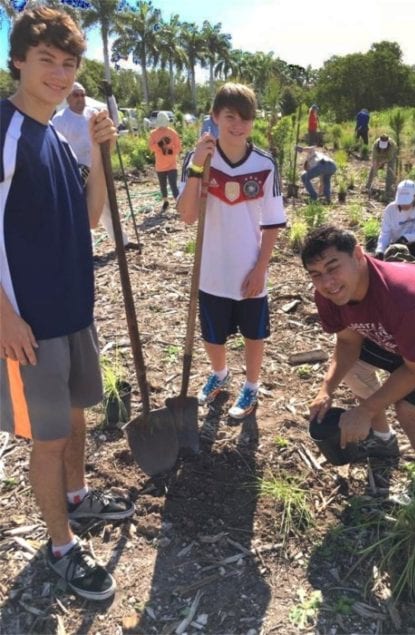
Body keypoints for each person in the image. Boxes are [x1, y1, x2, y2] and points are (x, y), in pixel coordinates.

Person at [0, 7, 134, 601]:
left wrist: (100, 158)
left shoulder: (53, 133)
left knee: (78, 417)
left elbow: (89, 220)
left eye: (69, 62)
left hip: (73, 311)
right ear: (19, 61)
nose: (58, 73)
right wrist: (3, 316)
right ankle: (61, 547)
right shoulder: (4, 129)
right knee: (48, 439)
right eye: (47, 60)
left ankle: (77, 499)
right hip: (27, 323)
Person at [301, 224, 415, 495]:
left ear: (359, 255)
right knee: (354, 367)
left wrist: (366, 410)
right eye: (316, 274)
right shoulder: (331, 294)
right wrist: (327, 389)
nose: (327, 283)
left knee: (411, 410)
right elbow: (348, 343)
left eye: (333, 267)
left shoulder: (405, 300)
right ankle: (383, 438)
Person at [177, 83, 286, 419]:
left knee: (254, 335)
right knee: (213, 334)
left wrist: (260, 269)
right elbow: (187, 215)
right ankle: (220, 375)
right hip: (211, 269)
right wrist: (197, 167)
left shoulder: (265, 164)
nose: (238, 125)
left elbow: (272, 222)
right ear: (215, 117)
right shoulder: (198, 160)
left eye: (245, 118)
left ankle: (251, 387)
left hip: (250, 268)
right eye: (230, 117)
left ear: (253, 122)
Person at [52, 82, 137, 251]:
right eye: (76, 95)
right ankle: (87, 250)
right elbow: (57, 148)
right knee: (82, 211)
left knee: (108, 207)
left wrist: (110, 96)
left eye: (83, 94)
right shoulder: (60, 119)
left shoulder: (92, 114)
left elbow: (114, 122)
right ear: (68, 98)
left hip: (97, 168)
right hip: (76, 171)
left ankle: (122, 242)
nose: (80, 98)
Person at [375, 179, 415, 266]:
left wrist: (406, 238)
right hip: (396, 247)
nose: (404, 205)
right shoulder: (390, 209)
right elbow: (385, 233)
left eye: (407, 202)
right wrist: (380, 250)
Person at [148, 111, 182, 213]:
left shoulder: (173, 133)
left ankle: (178, 203)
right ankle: (165, 202)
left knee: (173, 185)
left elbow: (178, 147)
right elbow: (151, 147)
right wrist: (160, 146)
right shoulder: (153, 134)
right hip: (160, 166)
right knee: (163, 185)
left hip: (172, 165)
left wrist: (170, 151)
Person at [366, 134, 398, 201]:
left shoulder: (392, 145)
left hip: (390, 156)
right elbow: (374, 159)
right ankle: (368, 186)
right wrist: (375, 169)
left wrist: (382, 162)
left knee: (390, 170)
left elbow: (389, 158)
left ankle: (389, 189)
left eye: (384, 146)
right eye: (381, 146)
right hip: (379, 155)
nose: (382, 148)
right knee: (373, 169)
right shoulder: (375, 145)